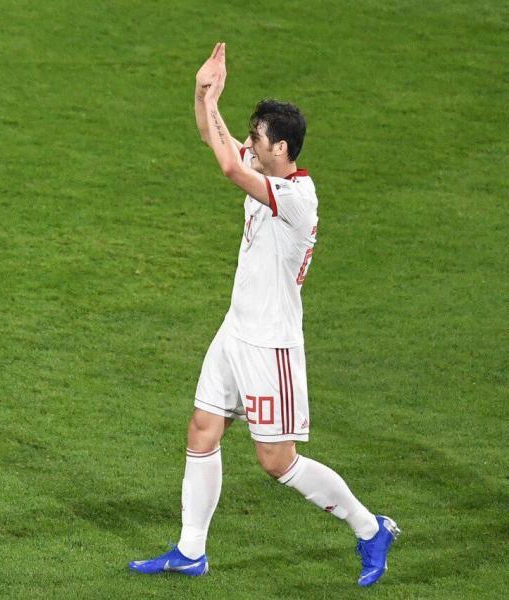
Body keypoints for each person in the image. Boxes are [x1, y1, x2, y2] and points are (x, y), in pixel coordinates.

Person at [128, 43, 399, 587]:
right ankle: (190, 551)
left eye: (257, 137)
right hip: (236, 330)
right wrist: (203, 93)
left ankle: (371, 529)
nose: (249, 143)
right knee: (202, 429)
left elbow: (229, 165)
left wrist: (215, 101)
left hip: (270, 344)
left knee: (276, 461)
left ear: (281, 148)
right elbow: (214, 140)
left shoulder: (296, 198)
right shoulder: (265, 169)